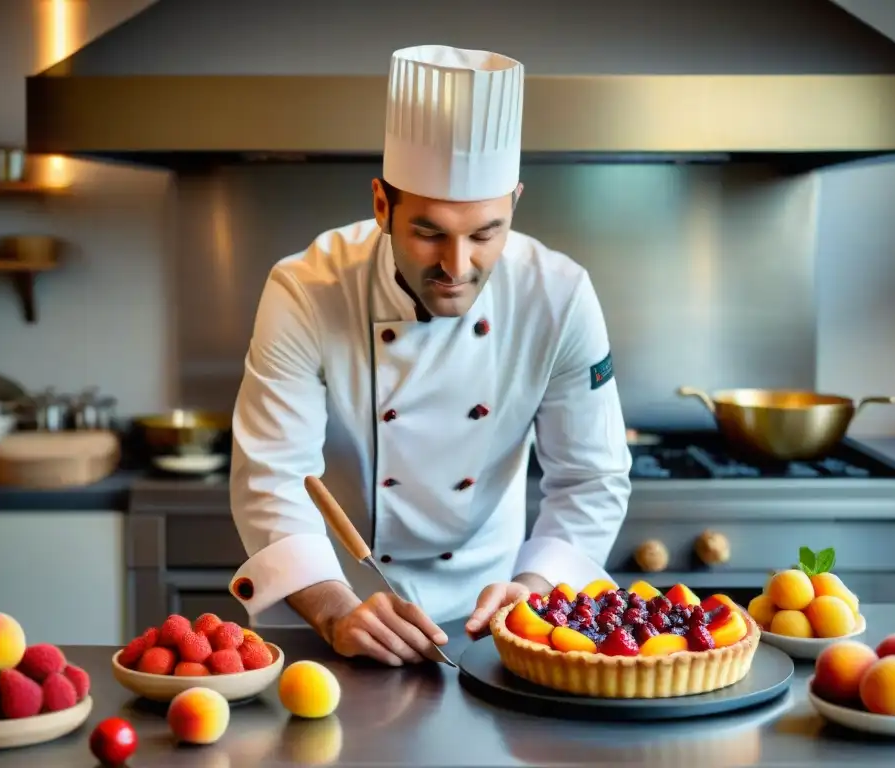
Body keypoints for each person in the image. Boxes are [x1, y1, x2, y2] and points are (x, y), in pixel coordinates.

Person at [227, 44, 632, 668]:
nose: (456, 266)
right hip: (342, 603)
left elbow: (591, 479)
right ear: (383, 205)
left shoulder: (560, 296)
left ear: (515, 203)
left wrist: (535, 594)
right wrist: (335, 610)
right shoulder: (306, 289)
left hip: (498, 619)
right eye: (429, 232)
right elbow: (272, 474)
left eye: (485, 233)